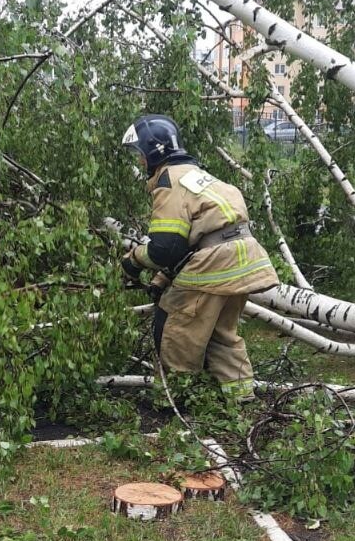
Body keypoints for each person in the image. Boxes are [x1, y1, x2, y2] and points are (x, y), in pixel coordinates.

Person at [119, 114, 280, 400]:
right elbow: (192, 244)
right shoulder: (200, 177)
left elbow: (164, 248)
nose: (140, 162)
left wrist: (132, 261)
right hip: (242, 259)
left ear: (154, 151)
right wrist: (163, 277)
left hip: (216, 262)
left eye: (140, 155)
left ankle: (173, 397)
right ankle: (241, 399)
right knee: (221, 331)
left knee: (175, 324)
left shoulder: (169, 181)